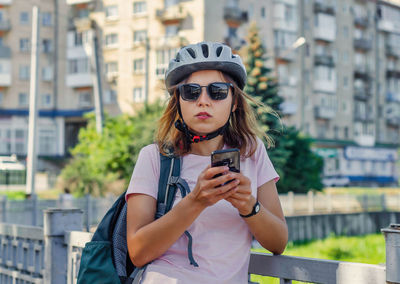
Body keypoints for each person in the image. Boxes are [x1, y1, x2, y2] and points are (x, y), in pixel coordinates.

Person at [126, 42, 288, 283]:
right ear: (178, 101)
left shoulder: (252, 153)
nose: (203, 101)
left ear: (234, 102)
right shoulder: (153, 158)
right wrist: (196, 201)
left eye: (218, 91)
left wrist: (248, 205)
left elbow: (278, 243)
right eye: (191, 91)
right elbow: (138, 253)